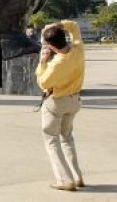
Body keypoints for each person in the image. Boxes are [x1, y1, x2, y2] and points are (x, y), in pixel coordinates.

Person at [35, 20, 85, 191]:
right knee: (67, 138)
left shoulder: (56, 65)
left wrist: (42, 62)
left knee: (51, 140)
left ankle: (65, 180)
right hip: (75, 100)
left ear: (50, 46)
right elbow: (75, 26)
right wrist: (56, 24)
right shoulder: (78, 50)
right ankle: (77, 176)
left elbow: (43, 83)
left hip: (57, 102)